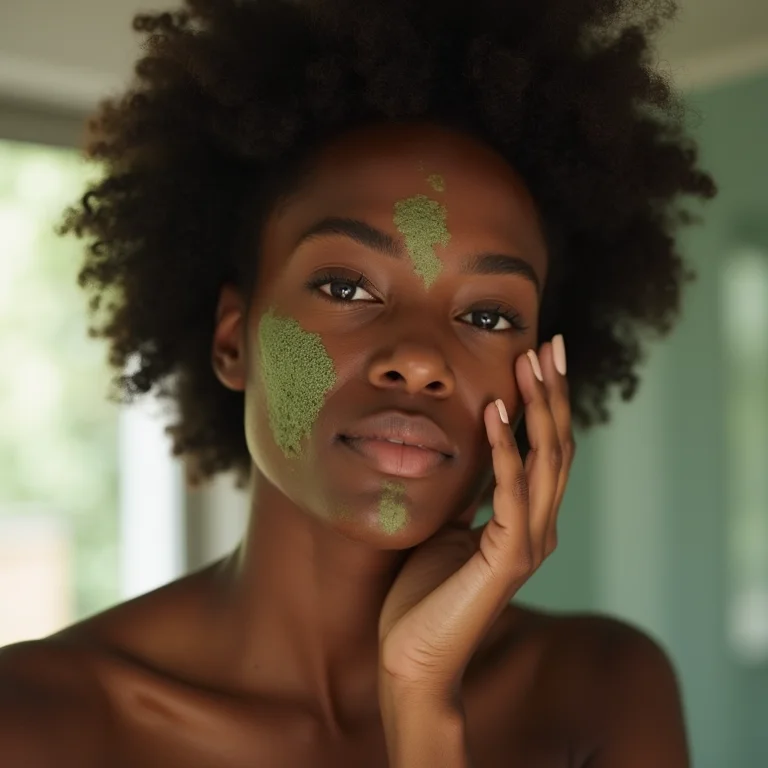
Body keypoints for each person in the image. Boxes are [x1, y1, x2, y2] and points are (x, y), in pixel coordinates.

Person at [0, 0, 716, 765]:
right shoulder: (37, 720)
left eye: (487, 314)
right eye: (346, 288)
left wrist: (420, 699)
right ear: (234, 341)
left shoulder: (600, 691)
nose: (421, 358)